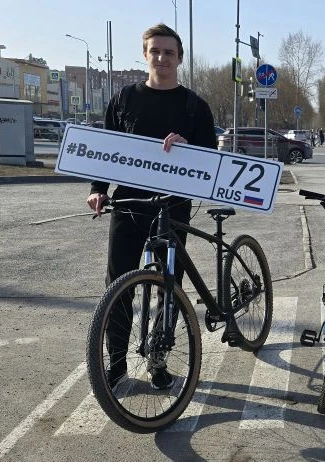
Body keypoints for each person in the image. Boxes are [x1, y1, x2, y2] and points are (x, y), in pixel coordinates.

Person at [85, 23, 217, 391]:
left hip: (173, 207)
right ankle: (115, 364)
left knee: (168, 287)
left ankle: (159, 361)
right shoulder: (124, 99)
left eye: (169, 52)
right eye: (155, 51)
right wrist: (98, 189)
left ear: (179, 58)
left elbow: (211, 158)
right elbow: (107, 150)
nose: (162, 58)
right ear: (145, 55)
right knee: (118, 286)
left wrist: (188, 147)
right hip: (128, 204)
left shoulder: (194, 106)